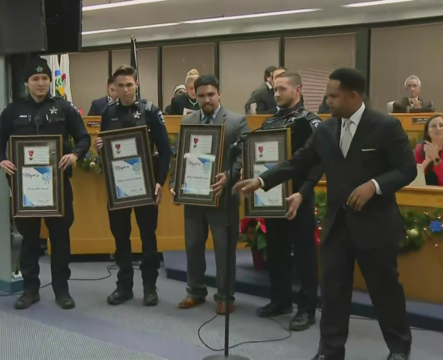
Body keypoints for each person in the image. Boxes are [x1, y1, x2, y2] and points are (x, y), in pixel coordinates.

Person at [233, 68, 415, 360]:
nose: (327, 101)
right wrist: (262, 180)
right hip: (337, 228)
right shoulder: (327, 129)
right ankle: (329, 351)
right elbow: (297, 162)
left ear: (353, 95)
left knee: (385, 294)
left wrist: (374, 185)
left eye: (333, 96)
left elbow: (407, 169)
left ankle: (399, 348)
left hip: (375, 228)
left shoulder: (385, 126)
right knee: (333, 295)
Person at [0, 57, 91, 310]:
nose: (41, 83)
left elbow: (83, 138)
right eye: (35, 79)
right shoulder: (12, 111)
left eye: (45, 78)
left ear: (50, 81)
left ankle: (61, 290)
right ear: (26, 83)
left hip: (57, 187)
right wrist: (1, 161)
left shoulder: (63, 108)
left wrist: (75, 155)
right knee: (29, 239)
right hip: (26, 188)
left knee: (60, 238)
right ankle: (30, 289)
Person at [169, 75, 249, 314]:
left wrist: (229, 176)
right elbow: (179, 155)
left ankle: (225, 296)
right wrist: (175, 182)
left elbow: (243, 155)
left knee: (224, 248)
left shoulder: (236, 121)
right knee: (193, 246)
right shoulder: (188, 120)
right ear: (195, 95)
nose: (206, 99)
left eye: (211, 94)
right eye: (201, 95)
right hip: (194, 196)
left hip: (223, 198)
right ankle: (195, 291)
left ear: (219, 94)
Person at [95, 65, 171, 306]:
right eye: (120, 86)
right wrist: (100, 147)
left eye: (129, 84)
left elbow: (166, 150)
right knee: (121, 238)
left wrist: (160, 182)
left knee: (148, 238)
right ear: (113, 88)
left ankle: (150, 287)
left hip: (146, 186)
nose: (125, 90)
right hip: (119, 188)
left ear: (136, 84)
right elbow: (107, 148)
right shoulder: (108, 113)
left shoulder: (150, 111)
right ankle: (124, 286)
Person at [254, 72, 321, 332]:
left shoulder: (310, 122)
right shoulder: (270, 122)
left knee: (304, 254)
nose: (277, 93)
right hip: (273, 196)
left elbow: (318, 162)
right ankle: (280, 300)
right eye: (275, 89)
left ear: (298, 90)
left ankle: (306, 309)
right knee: (276, 250)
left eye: (282, 88)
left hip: (299, 196)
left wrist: (303, 192)